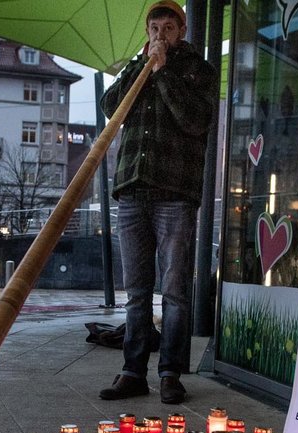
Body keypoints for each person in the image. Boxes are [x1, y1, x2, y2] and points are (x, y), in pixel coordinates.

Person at [97, 0, 217, 405]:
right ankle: (133, 372)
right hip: (132, 188)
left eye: (168, 27)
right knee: (136, 291)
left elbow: (195, 120)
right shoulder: (139, 67)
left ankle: (170, 374)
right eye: (154, 28)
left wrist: (163, 72)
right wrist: (141, 67)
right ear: (147, 32)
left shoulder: (197, 70)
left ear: (181, 31)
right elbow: (111, 108)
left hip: (175, 192)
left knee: (175, 291)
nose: (160, 34)